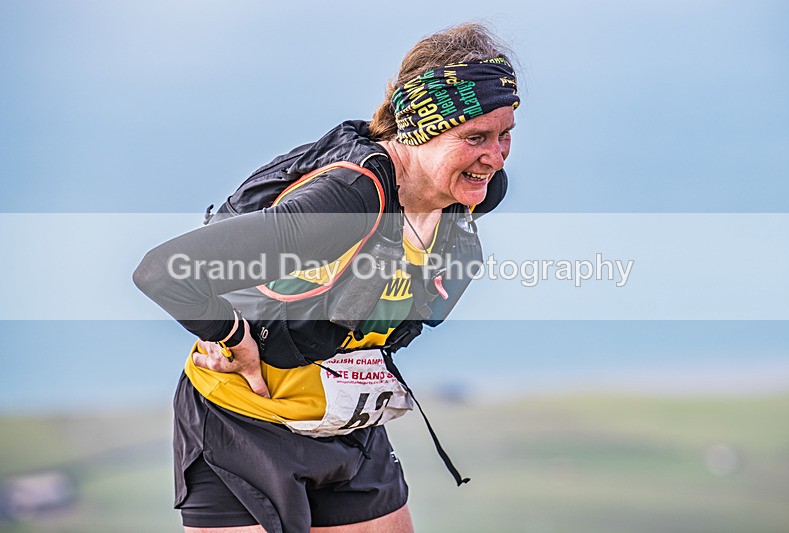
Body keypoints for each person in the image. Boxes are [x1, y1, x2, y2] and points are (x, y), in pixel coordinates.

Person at [134, 22, 520, 533]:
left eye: (505, 134)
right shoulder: (347, 203)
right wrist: (229, 336)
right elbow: (163, 272)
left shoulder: (473, 191)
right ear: (420, 131)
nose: (494, 157)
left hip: (347, 424)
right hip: (245, 422)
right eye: (475, 137)